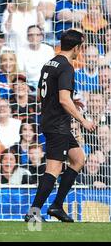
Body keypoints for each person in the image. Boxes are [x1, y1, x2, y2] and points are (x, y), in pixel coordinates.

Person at [24, 29, 96, 223]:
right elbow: (64, 99)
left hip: (51, 121)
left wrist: (72, 101)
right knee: (53, 170)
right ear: (77, 48)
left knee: (78, 158)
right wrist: (83, 120)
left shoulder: (49, 63)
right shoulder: (66, 67)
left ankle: (57, 205)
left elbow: (40, 95)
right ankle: (34, 212)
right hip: (58, 125)